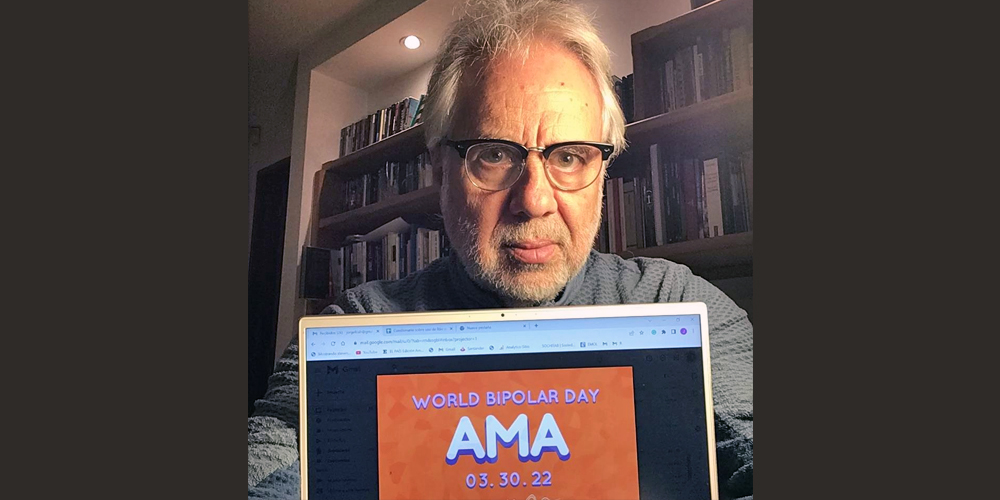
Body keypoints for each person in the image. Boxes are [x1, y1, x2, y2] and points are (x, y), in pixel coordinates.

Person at [248, 0, 752, 498]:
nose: (533, 201)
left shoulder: (676, 304)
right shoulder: (355, 325)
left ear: (603, 172)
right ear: (441, 170)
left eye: (571, 156)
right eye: (493, 154)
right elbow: (273, 461)